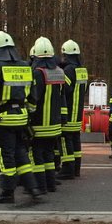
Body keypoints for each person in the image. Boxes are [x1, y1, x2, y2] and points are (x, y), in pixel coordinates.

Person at [0, 31, 43, 205]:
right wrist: (29, 113)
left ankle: (7, 192)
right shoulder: (26, 66)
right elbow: (33, 96)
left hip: (3, 120)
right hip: (22, 118)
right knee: (21, 153)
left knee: (5, 155)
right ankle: (33, 188)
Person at [28, 37, 65, 194]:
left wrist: (28, 114)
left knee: (37, 156)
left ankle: (40, 186)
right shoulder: (59, 72)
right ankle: (51, 184)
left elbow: (34, 99)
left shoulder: (38, 73)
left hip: (40, 123)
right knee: (49, 155)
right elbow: (63, 98)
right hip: (55, 124)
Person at [57, 39, 88, 179]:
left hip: (68, 112)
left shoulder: (68, 70)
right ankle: (76, 169)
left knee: (65, 141)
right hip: (78, 113)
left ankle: (67, 170)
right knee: (75, 140)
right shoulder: (82, 69)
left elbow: (65, 90)